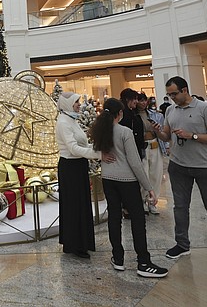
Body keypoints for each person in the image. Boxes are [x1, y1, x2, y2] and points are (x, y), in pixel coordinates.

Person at [158, 76, 207, 272]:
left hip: (205, 166)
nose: (172, 97)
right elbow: (167, 136)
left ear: (185, 90)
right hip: (178, 166)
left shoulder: (205, 109)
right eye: (169, 94)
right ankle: (182, 244)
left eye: (174, 93)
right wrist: (158, 131)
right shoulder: (170, 110)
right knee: (180, 207)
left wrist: (191, 135)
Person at [91, 98, 168, 278]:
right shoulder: (125, 131)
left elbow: (98, 153)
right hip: (127, 180)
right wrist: (148, 187)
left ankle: (118, 258)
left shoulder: (100, 130)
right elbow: (134, 162)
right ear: (120, 113)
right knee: (138, 219)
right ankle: (143, 262)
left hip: (108, 178)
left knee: (114, 217)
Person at [56, 92, 103, 258]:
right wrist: (97, 155)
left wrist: (95, 148)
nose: (79, 104)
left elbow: (82, 143)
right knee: (74, 206)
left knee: (81, 205)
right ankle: (75, 244)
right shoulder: (63, 122)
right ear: (68, 104)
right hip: (70, 168)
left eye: (78, 102)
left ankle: (82, 242)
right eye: (76, 102)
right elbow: (72, 148)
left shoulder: (72, 119)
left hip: (78, 166)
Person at [137, 93, 166, 214]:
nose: (143, 103)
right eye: (140, 101)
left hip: (155, 144)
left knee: (156, 173)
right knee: (144, 174)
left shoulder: (155, 115)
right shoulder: (134, 116)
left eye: (144, 100)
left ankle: (153, 201)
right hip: (142, 147)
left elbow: (163, 130)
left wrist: (167, 146)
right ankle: (143, 200)